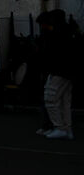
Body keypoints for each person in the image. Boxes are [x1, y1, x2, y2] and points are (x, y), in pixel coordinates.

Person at [33, 10, 76, 139]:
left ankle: (60, 127)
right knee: (64, 101)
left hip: (59, 71)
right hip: (68, 72)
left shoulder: (57, 34)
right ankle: (67, 129)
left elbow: (51, 55)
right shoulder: (69, 31)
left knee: (50, 98)